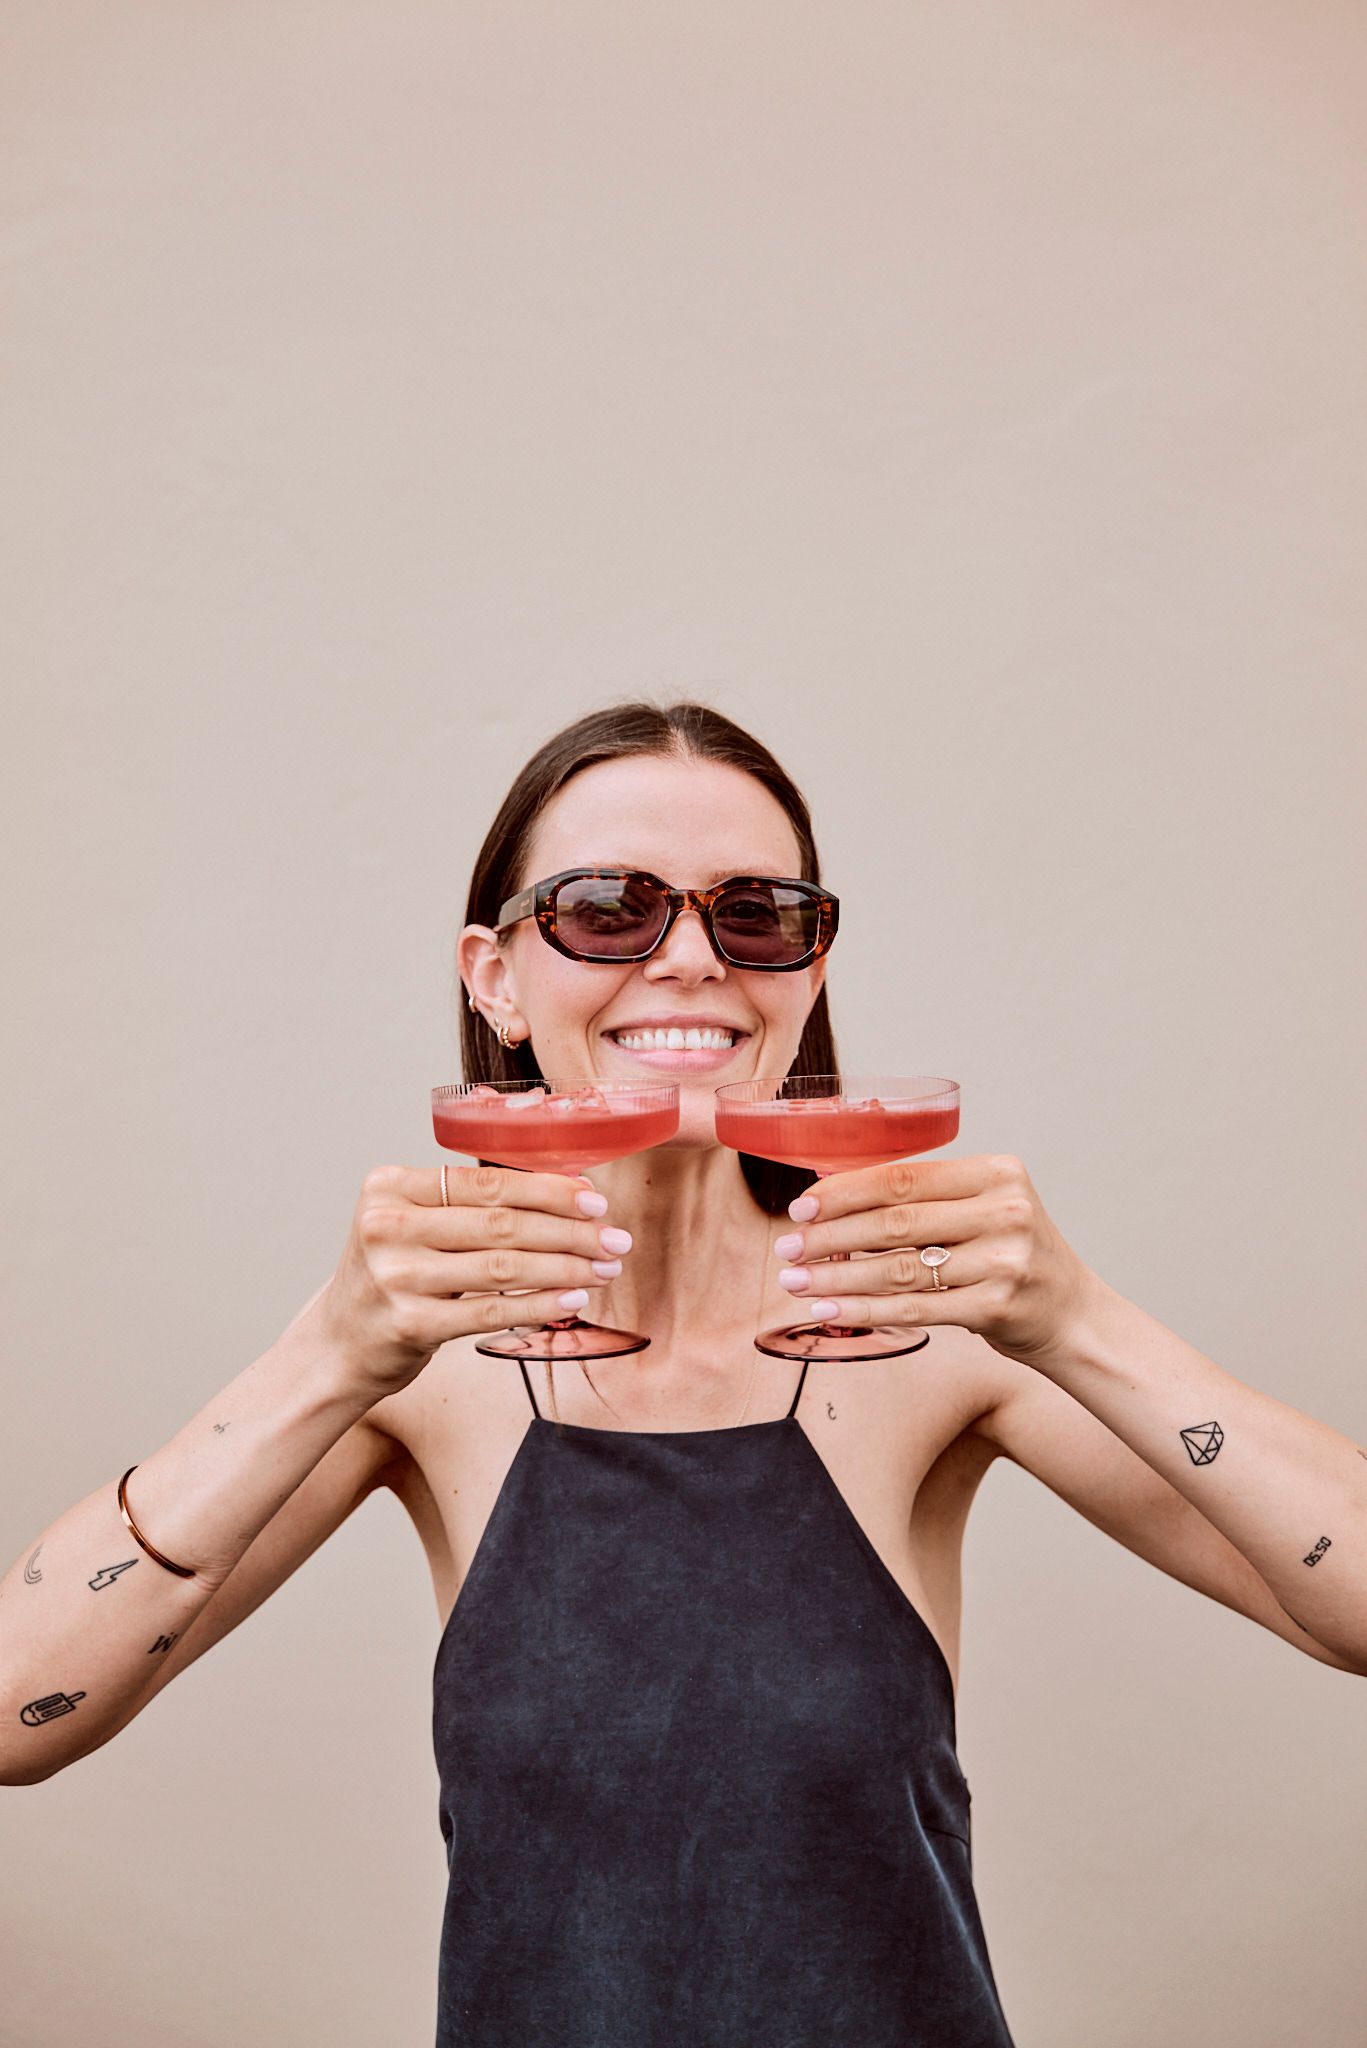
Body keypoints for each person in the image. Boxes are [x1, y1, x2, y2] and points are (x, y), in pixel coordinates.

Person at [3, 701, 1364, 2048]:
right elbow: (18, 1713)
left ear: (811, 970)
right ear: (492, 976)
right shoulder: (421, 1364)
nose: (695, 961)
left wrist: (1077, 1319)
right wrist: (326, 1357)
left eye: (757, 914)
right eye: (610, 909)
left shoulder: (928, 1328)